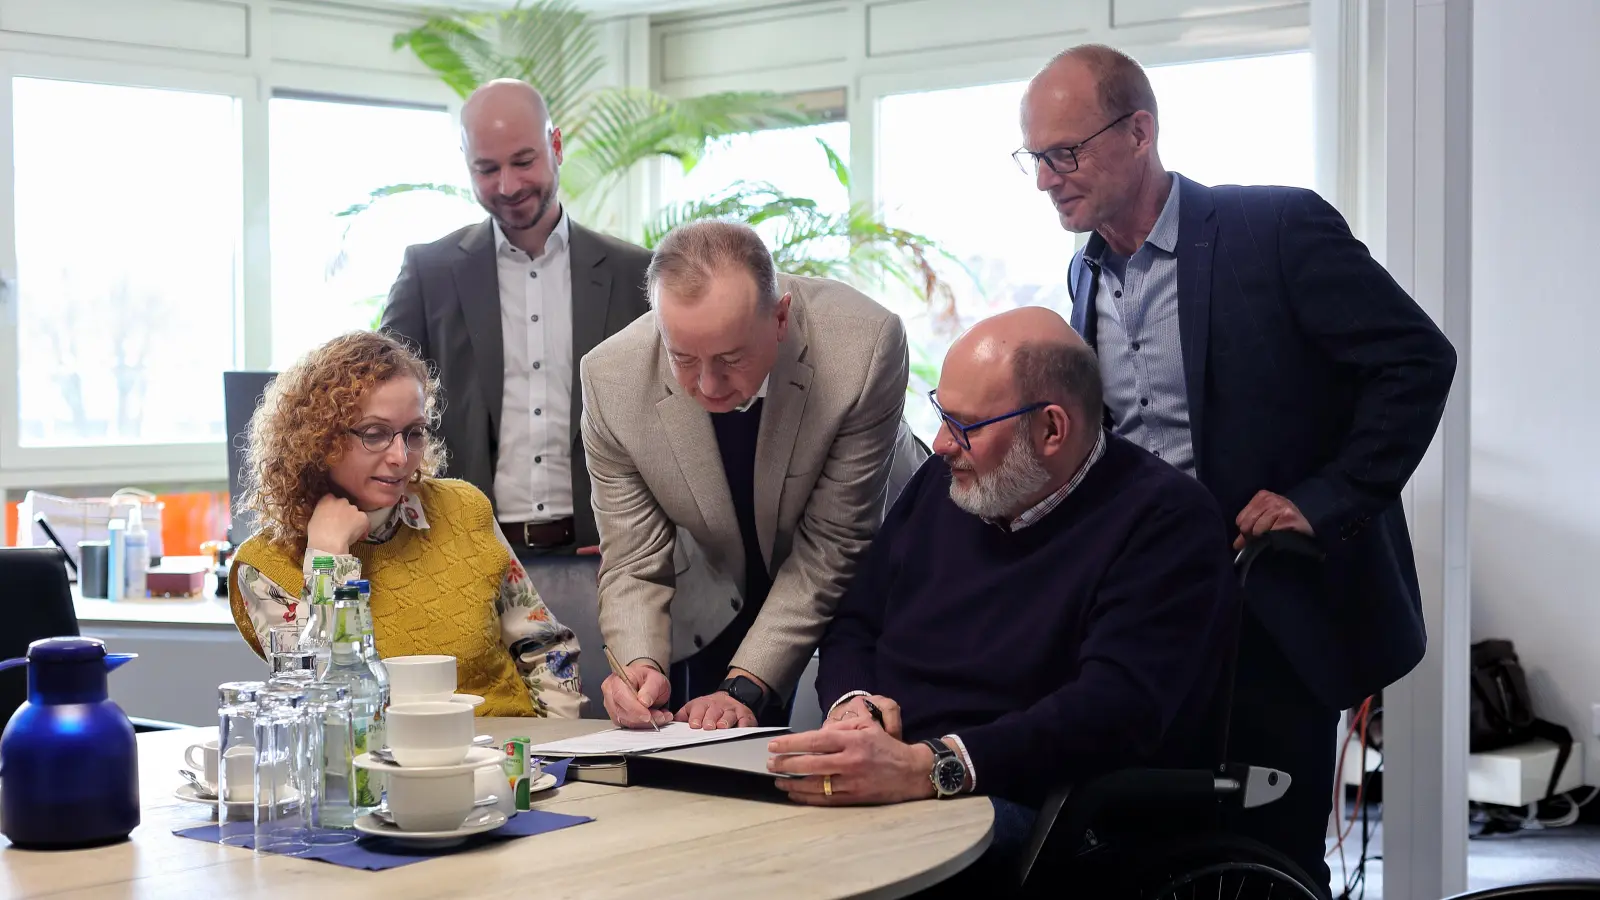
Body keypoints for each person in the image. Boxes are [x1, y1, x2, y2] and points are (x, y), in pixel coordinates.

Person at [1019, 44, 1458, 891]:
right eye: (1034, 157)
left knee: (1275, 858)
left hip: (1277, 615)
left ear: (1139, 131)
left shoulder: (1277, 230)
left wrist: (1324, 498)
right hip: (1158, 618)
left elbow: (1415, 362)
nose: (1046, 178)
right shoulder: (1081, 276)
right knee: (1166, 850)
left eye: (1064, 153)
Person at [766, 308, 1240, 888]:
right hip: (892, 772)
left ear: (1051, 430)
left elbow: (1114, 711)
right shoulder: (950, 486)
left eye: (965, 425)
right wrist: (854, 704)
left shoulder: (1165, 522)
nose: (940, 444)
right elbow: (856, 622)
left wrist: (930, 766)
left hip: (1032, 798)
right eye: (942, 413)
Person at [580, 220, 909, 730]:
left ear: (780, 319)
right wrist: (637, 664)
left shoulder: (862, 347)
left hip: (866, 579)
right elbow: (632, 556)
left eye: (731, 358)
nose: (708, 385)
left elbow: (834, 543)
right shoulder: (611, 380)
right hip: (716, 584)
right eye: (683, 359)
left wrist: (745, 683)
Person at [228, 331, 586, 718]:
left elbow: (546, 646)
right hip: (374, 771)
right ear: (319, 439)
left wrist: (555, 754)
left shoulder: (463, 509)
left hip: (505, 762)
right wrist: (327, 557)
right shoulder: (264, 565)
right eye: (375, 434)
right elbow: (317, 708)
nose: (401, 456)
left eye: (413, 433)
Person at [380, 78, 652, 557]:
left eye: (523, 161)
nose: (508, 186)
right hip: (464, 556)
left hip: (603, 557)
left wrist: (643, 539)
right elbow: (379, 408)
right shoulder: (429, 274)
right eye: (487, 169)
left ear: (556, 145)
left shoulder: (635, 274)